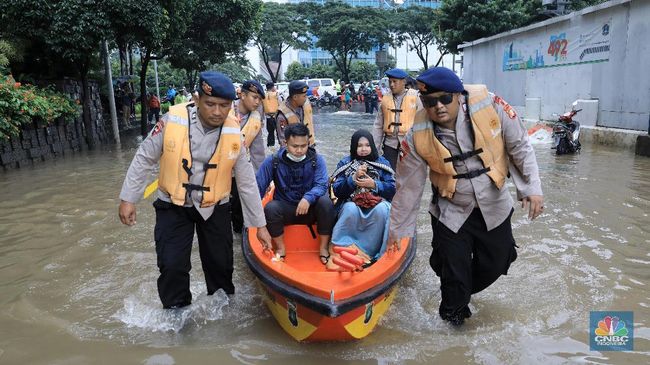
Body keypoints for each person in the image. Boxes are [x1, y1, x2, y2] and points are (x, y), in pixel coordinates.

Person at [387, 67, 544, 326]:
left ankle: (458, 290)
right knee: (453, 274)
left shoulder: (490, 104)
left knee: (500, 261)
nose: (438, 107)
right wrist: (398, 231)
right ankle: (452, 325)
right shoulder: (417, 132)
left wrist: (531, 189)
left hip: (493, 203)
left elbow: (519, 146)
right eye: (429, 101)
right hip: (451, 210)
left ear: (458, 95)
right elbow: (408, 187)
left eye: (444, 99)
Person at [118, 71, 272, 309]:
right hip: (173, 204)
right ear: (197, 99)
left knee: (221, 266)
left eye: (224, 105)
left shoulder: (234, 132)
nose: (217, 112)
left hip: (216, 206)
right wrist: (129, 198)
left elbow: (246, 182)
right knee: (172, 265)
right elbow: (144, 158)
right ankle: (176, 316)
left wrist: (259, 225)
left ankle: (221, 316)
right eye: (210, 104)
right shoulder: (171, 120)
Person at [256, 123, 335, 263]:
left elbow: (322, 184)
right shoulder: (273, 161)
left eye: (303, 146)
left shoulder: (317, 160)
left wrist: (308, 198)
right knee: (270, 208)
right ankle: (281, 248)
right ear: (285, 143)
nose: (299, 150)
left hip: (309, 209)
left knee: (326, 203)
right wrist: (257, 222)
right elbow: (258, 189)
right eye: (294, 146)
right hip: (286, 208)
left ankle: (323, 247)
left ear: (308, 143)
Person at [327, 129, 395, 270]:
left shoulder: (382, 162)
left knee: (382, 210)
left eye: (367, 145)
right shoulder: (345, 162)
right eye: (359, 146)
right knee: (350, 209)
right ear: (353, 147)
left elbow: (393, 190)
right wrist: (352, 180)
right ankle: (343, 249)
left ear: (372, 146)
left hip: (377, 203)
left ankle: (371, 252)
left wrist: (375, 185)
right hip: (351, 202)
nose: (364, 149)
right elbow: (338, 190)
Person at [230, 80, 266, 233]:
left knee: (239, 202)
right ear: (243, 95)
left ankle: (239, 233)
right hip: (218, 167)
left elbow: (257, 152)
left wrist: (261, 178)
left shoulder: (256, 118)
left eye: (259, 99)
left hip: (239, 168)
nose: (257, 102)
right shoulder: (226, 110)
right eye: (254, 97)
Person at [372, 68, 422, 170]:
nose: (391, 85)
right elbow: (378, 126)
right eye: (390, 81)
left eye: (395, 81)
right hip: (390, 145)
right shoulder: (385, 100)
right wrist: (374, 150)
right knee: (389, 174)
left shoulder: (416, 97)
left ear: (403, 82)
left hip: (410, 145)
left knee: (410, 176)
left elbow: (423, 123)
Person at [275, 80, 316, 147]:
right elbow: (283, 140)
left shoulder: (305, 103)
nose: (306, 98)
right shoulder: (283, 115)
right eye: (304, 96)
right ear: (295, 97)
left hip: (310, 145)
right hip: (296, 151)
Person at [262, 81, 280, 147]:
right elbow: (280, 104)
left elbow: (262, 108)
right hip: (276, 116)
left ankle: (270, 145)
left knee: (270, 132)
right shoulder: (276, 94)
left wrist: (262, 119)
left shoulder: (263, 96)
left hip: (268, 117)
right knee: (279, 131)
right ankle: (281, 144)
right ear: (273, 87)